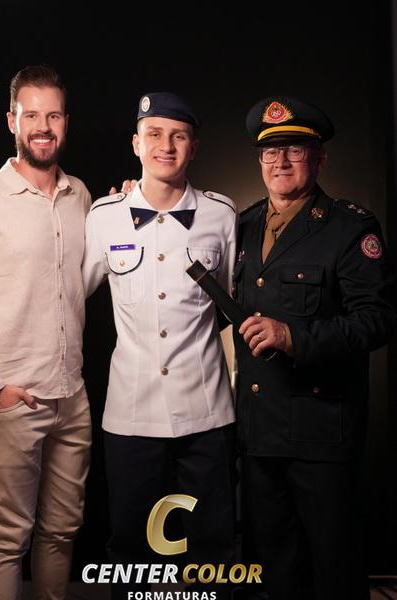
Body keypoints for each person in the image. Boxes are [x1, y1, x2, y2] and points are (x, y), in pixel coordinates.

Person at [232, 96, 395, 600]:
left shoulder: (350, 228)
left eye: (295, 150)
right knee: (275, 573)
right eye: (271, 151)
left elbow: (377, 320)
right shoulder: (242, 225)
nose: (280, 161)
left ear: (319, 158)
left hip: (321, 433)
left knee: (334, 571)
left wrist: (293, 337)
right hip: (259, 433)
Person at [0, 65, 92, 600]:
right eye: (31, 115)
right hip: (14, 399)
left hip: (72, 398)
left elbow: (82, 283)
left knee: (61, 532)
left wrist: (129, 206)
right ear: (12, 121)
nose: (42, 127)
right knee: (10, 537)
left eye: (53, 116)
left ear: (66, 123)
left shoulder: (81, 196)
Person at [82, 92, 237, 587]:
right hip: (132, 411)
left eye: (178, 136)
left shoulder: (222, 216)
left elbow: (233, 305)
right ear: (136, 144)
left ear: (194, 147)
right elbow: (70, 297)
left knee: (212, 544)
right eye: (154, 134)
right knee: (131, 547)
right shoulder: (104, 216)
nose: (165, 146)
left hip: (207, 410)